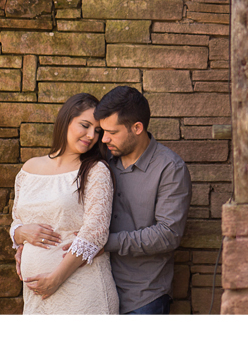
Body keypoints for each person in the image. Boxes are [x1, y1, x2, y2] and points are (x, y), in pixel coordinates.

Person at [10, 93, 119, 314]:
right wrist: (20, 234)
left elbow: (95, 233)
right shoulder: (29, 169)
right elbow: (17, 221)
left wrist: (55, 279)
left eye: (97, 131)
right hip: (37, 297)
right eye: (85, 125)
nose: (91, 136)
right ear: (67, 119)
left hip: (82, 291)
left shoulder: (96, 170)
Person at [94, 86, 192, 315]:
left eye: (112, 132)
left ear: (137, 128)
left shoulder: (170, 168)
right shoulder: (102, 159)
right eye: (102, 131)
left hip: (144, 296)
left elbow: (168, 234)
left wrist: (104, 242)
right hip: (97, 287)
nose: (104, 138)